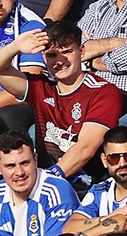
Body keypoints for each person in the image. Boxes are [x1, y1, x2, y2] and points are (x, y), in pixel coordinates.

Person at [1, 22, 120, 179]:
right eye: (52, 55)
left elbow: (85, 148)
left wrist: (47, 179)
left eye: (67, 52)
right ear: (44, 57)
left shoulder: (103, 92)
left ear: (81, 52)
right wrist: (15, 47)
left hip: (88, 183)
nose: (59, 61)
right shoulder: (41, 85)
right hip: (45, 177)